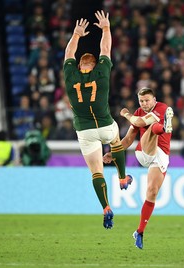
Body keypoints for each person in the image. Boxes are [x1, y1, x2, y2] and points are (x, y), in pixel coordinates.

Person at [63, 10, 132, 230]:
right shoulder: (101, 72)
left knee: (96, 171)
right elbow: (105, 48)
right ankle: (122, 178)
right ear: (93, 65)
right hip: (104, 124)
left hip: (84, 131)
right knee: (117, 142)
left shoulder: (70, 75)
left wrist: (76, 35)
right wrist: (106, 28)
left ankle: (106, 208)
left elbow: (68, 55)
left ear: (79, 66)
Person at [103, 87, 174, 250]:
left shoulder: (162, 108)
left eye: (147, 100)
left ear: (154, 100)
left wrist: (126, 114)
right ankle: (164, 128)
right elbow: (128, 139)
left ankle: (139, 232)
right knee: (152, 127)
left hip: (161, 156)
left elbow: (138, 121)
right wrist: (113, 153)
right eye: (141, 101)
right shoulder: (139, 113)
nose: (144, 104)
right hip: (144, 152)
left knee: (152, 192)